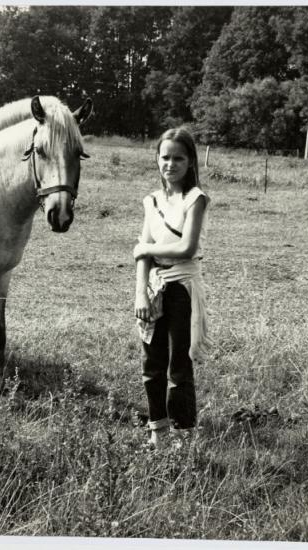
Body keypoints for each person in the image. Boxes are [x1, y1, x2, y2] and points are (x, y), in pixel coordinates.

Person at [133, 127, 210, 449]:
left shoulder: (196, 199)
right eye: (165, 157)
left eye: (178, 158)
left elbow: (187, 248)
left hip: (182, 288)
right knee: (152, 363)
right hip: (153, 288)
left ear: (190, 161)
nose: (171, 164)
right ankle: (157, 434)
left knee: (179, 365)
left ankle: (184, 438)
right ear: (157, 160)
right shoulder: (151, 201)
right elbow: (142, 255)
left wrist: (146, 250)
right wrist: (140, 292)